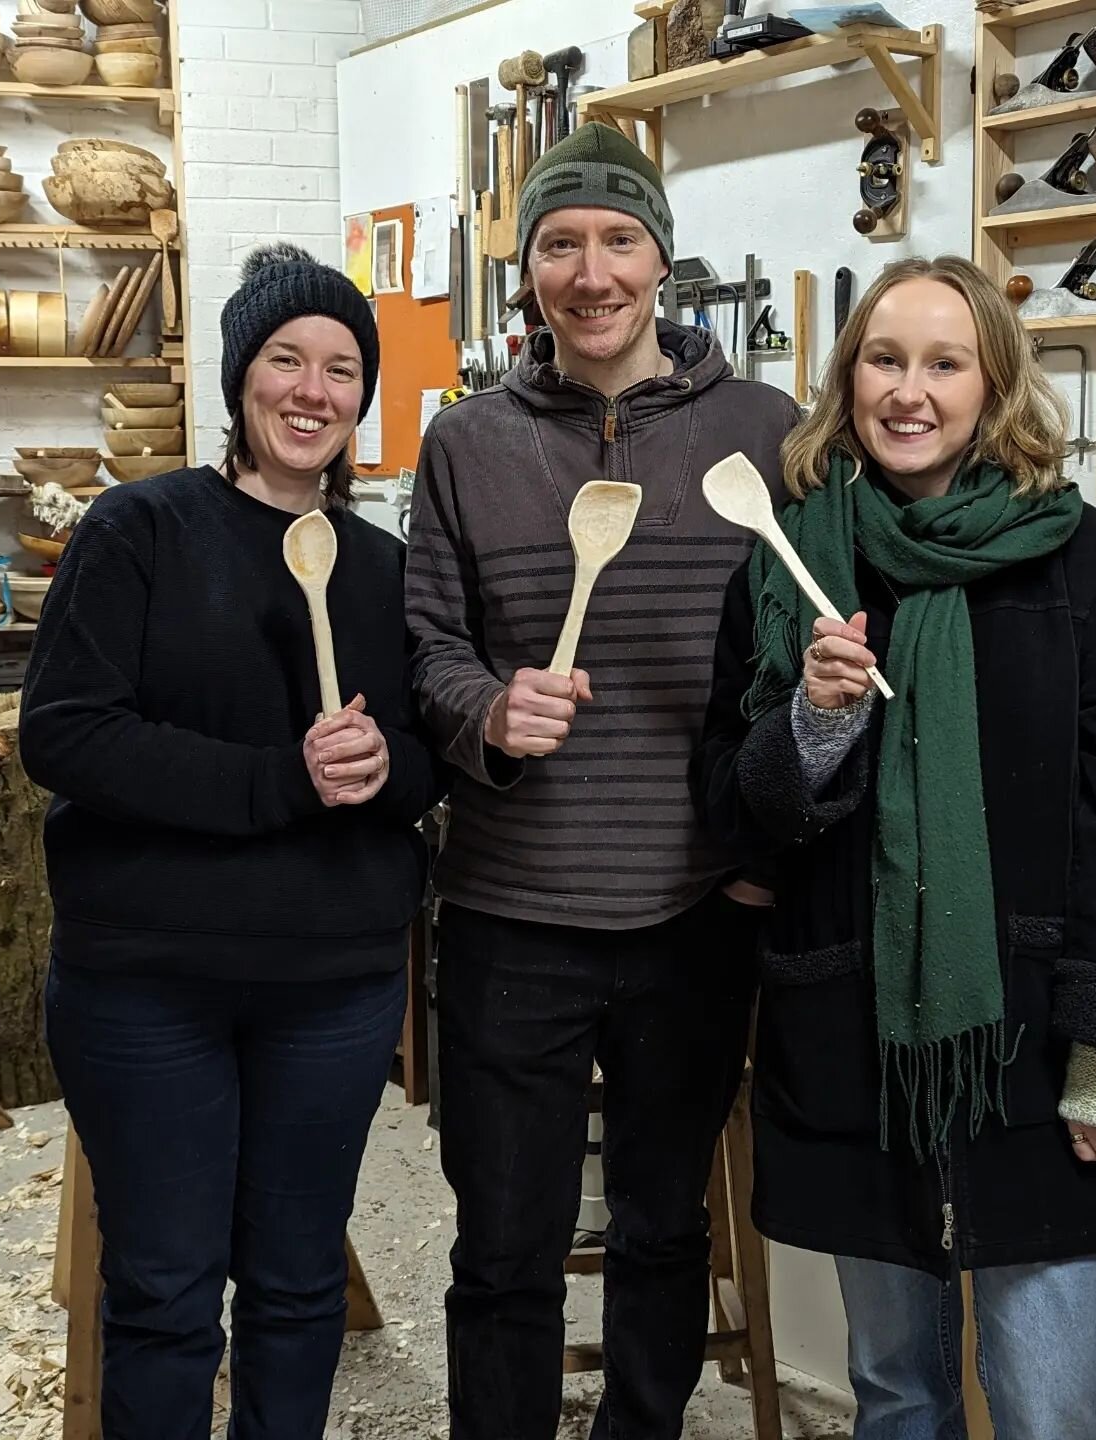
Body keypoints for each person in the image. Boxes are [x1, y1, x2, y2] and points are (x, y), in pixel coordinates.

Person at [690, 255, 1096, 1440]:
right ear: (846, 378)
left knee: (1055, 1406)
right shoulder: (788, 564)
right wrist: (812, 727)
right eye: (884, 359)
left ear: (995, 386)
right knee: (897, 1397)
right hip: (856, 1050)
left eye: (943, 362)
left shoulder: (1083, 561)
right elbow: (729, 806)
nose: (908, 391)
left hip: (1037, 1054)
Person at [405, 122, 802, 1439]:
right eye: (560, 244)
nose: (591, 272)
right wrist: (487, 708)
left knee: (659, 1229)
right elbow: (428, 648)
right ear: (527, 274)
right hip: (514, 912)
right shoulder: (467, 444)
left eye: (617, 239)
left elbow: (790, 660)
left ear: (659, 260)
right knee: (505, 1248)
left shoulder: (765, 434)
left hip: (695, 908)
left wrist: (764, 844)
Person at [20, 243, 439, 1440]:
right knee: (162, 1295)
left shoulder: (381, 567)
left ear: (361, 398)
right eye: (285, 361)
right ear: (238, 382)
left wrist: (381, 769)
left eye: (341, 367)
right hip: (148, 984)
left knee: (300, 1286)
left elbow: (418, 757)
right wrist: (282, 781)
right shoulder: (139, 530)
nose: (313, 390)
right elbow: (67, 734)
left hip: (333, 984)